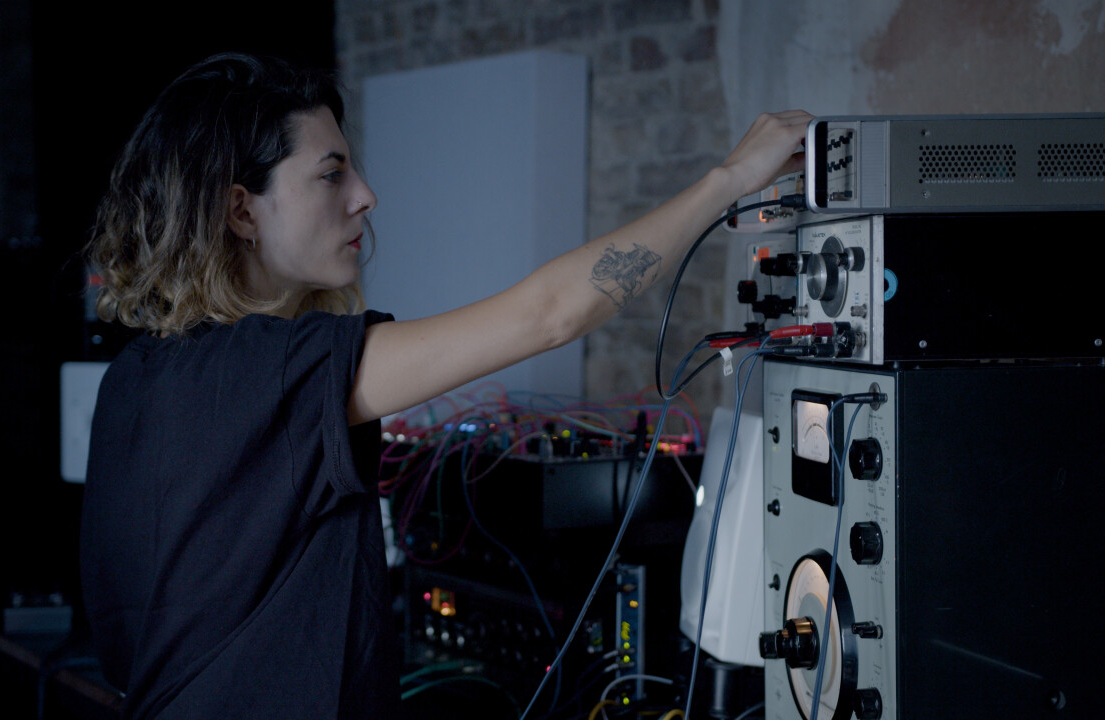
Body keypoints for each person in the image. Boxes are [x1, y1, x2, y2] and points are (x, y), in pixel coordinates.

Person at [79, 52, 810, 719]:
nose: (366, 195)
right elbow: (550, 316)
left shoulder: (134, 379)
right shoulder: (275, 370)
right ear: (242, 209)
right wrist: (729, 180)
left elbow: (125, 636)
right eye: (331, 174)